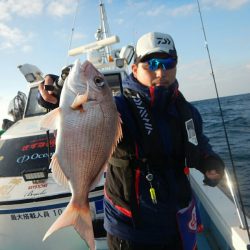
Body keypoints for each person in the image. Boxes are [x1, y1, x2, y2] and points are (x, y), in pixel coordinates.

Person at [37, 32, 225, 250]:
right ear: (134, 69)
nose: (160, 71)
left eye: (168, 63)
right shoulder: (119, 107)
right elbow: (85, 120)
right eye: (151, 63)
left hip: (179, 220)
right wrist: (56, 97)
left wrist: (208, 161)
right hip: (130, 228)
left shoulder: (186, 111)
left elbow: (197, 143)